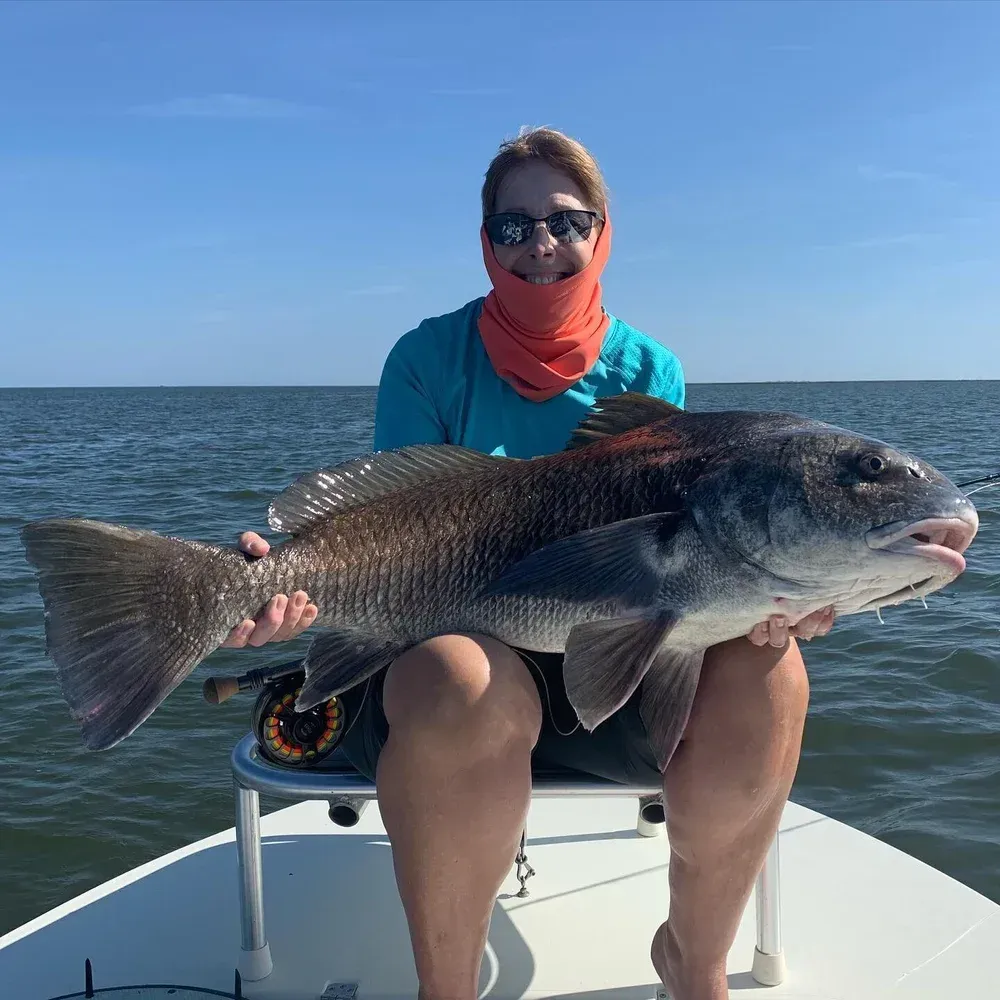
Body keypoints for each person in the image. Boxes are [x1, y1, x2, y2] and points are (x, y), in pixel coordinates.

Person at [224, 127, 832, 1000]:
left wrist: (777, 594)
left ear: (602, 232)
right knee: (456, 675)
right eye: (512, 228)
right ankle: (447, 987)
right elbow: (386, 528)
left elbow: (678, 559)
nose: (540, 245)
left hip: (619, 653)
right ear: (484, 244)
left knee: (774, 672)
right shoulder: (426, 360)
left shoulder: (649, 370)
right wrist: (283, 583)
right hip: (458, 656)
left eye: (565, 221)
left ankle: (695, 968)